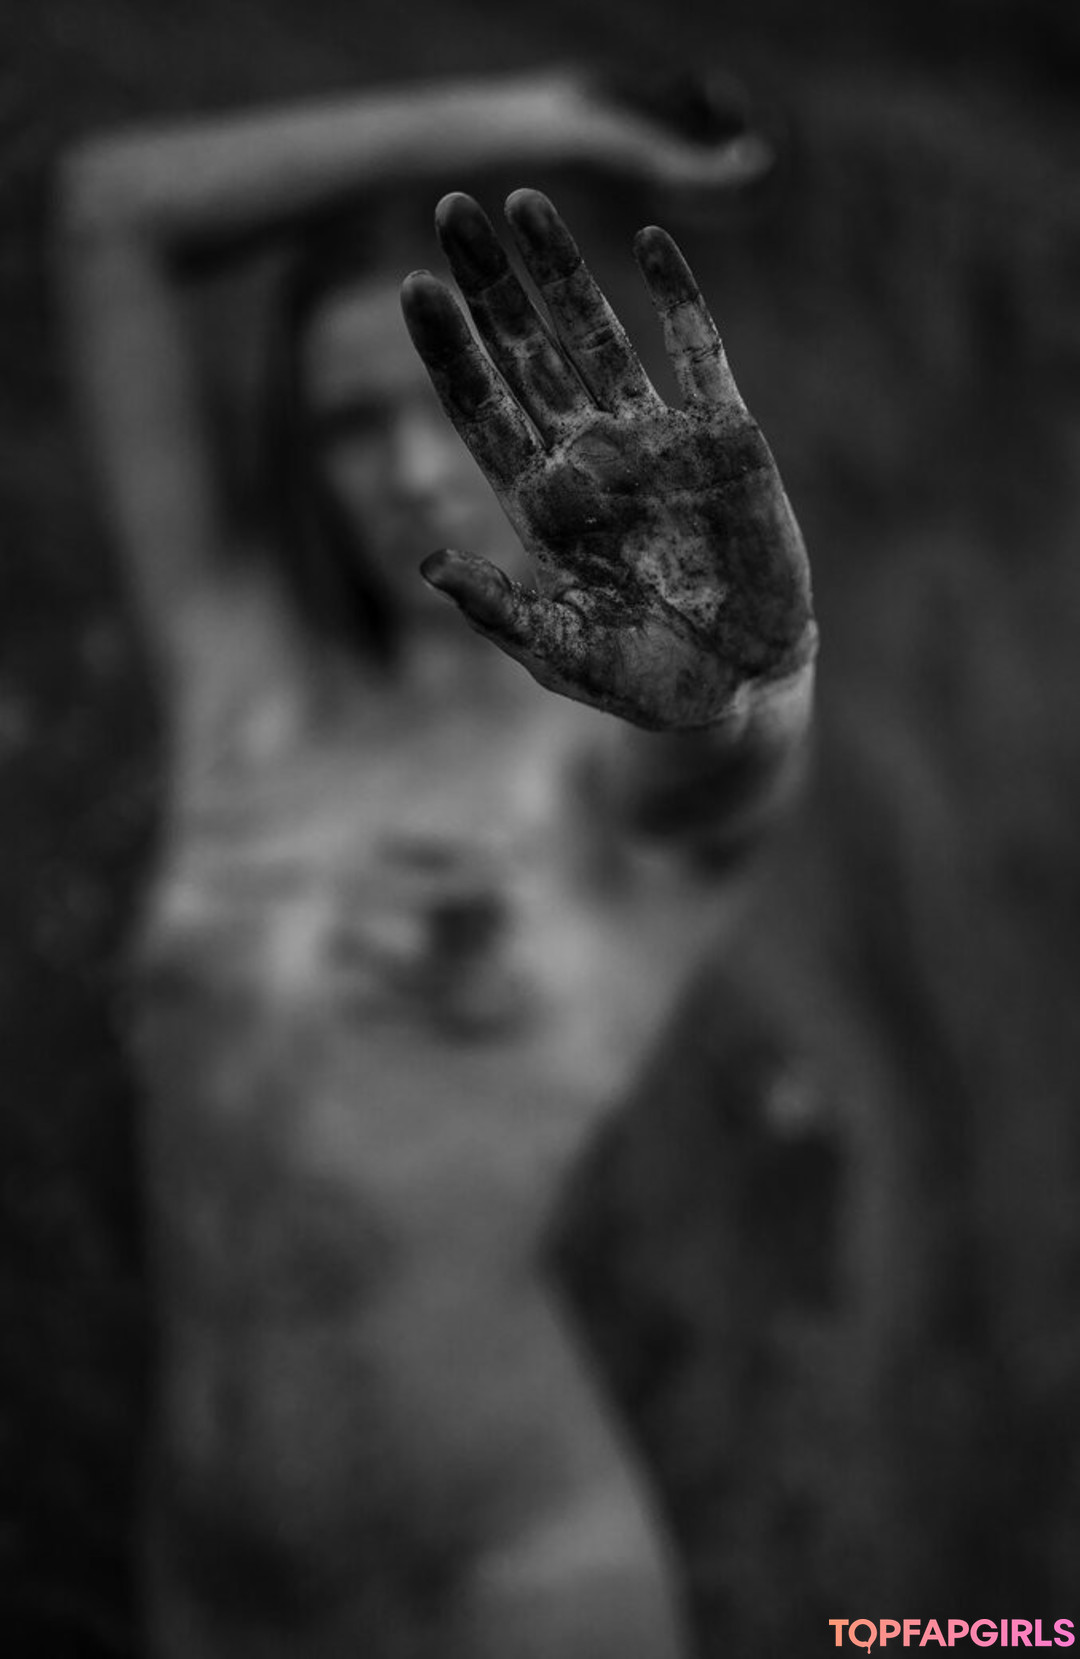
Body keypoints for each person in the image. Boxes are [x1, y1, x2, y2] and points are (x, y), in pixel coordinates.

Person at [56, 68, 815, 1659]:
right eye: (354, 422)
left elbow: (721, 786)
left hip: (513, 1585)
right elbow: (108, 208)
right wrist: (554, 117)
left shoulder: (602, 765)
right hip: (209, 1586)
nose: (407, 471)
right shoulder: (241, 679)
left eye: (435, 414)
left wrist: (745, 683)